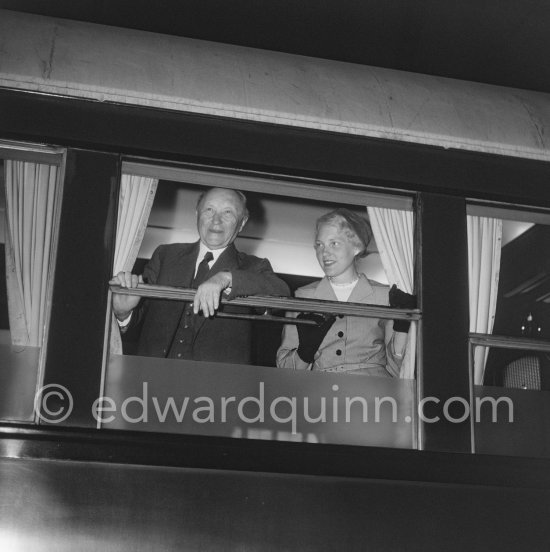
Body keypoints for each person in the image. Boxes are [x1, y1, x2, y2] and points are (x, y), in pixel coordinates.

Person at [110, 187, 290, 364]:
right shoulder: (165, 255)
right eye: (209, 210)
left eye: (227, 212)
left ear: (242, 222)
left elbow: (281, 292)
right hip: (151, 382)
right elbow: (138, 322)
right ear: (197, 214)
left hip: (215, 389)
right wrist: (123, 312)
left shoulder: (254, 266)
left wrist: (225, 278)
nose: (216, 220)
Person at [276, 208, 415, 376]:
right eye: (319, 245)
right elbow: (284, 370)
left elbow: (399, 366)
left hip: (374, 393)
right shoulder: (303, 296)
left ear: (357, 246)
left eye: (334, 243)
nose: (324, 253)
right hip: (322, 394)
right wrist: (305, 351)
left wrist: (402, 326)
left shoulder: (384, 295)